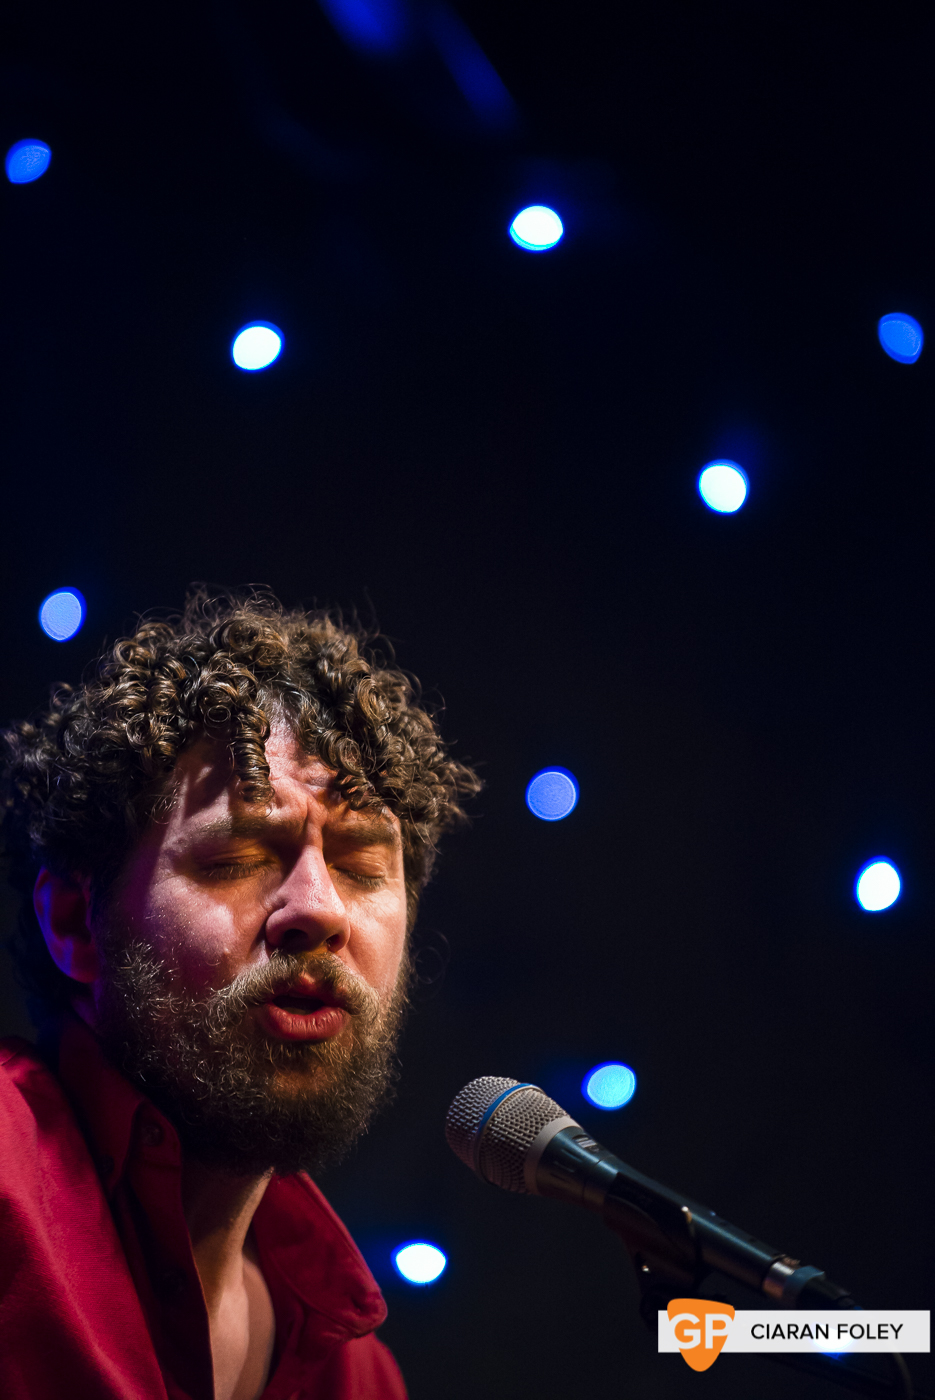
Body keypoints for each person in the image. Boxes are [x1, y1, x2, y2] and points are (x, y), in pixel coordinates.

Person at [0, 590, 480, 1400]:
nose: (319, 910)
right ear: (77, 921)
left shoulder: (359, 1377)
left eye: (363, 865)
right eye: (236, 857)